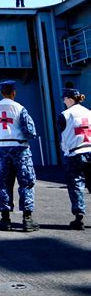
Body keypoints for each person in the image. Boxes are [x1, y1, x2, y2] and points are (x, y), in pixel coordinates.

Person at [0, 80, 39, 232]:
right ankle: (27, 219)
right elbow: (31, 131)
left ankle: (5, 218)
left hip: (1, 148)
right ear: (14, 92)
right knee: (26, 182)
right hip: (20, 148)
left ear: (1, 93)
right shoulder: (20, 108)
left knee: (4, 183)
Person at [57, 86, 91, 230]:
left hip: (74, 154)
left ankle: (79, 218)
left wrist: (64, 149)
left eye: (65, 99)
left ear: (70, 99)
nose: (64, 101)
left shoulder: (64, 115)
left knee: (76, 185)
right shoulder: (89, 112)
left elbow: (62, 134)